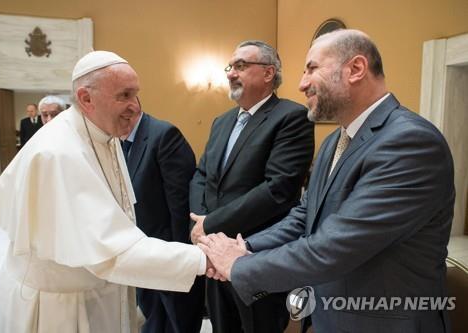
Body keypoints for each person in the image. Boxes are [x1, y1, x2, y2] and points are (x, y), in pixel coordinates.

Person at [199, 29, 455, 333]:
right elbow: (305, 216)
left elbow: (334, 246)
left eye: (311, 68)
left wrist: (238, 265)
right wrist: (244, 245)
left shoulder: (410, 142)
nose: (301, 83)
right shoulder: (336, 139)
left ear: (356, 69)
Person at [0, 51, 208, 333]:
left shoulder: (102, 133)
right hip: (59, 307)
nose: (134, 105)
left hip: (95, 292)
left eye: (135, 94)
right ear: (86, 98)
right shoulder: (60, 153)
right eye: (123, 95)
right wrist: (204, 259)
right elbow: (111, 250)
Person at [189, 40, 314, 333]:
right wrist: (199, 222)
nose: (231, 73)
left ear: (269, 73)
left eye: (241, 66)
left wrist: (210, 224)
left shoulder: (291, 117)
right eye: (230, 67)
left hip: (256, 253)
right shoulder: (222, 121)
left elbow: (277, 189)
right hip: (213, 254)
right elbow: (201, 175)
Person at [121, 96, 204, 333]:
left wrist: (178, 259)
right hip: (141, 254)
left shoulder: (163, 135)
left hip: (169, 256)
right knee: (151, 322)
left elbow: (180, 205)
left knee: (176, 324)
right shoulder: (117, 141)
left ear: (131, 107)